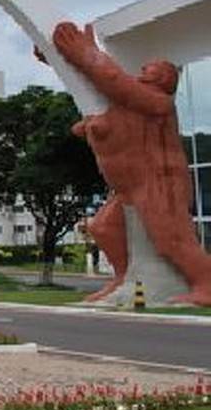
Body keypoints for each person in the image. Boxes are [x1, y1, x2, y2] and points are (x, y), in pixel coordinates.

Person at [51, 21, 211, 305]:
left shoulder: (157, 102)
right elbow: (101, 96)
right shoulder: (126, 108)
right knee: (103, 228)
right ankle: (122, 278)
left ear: (166, 80)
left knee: (171, 238)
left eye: (155, 68)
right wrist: (59, 61)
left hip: (158, 182)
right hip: (127, 187)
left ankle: (206, 283)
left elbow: (114, 82)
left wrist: (85, 54)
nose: (145, 69)